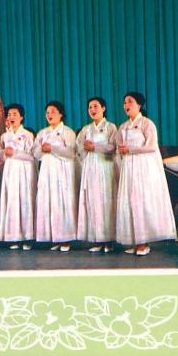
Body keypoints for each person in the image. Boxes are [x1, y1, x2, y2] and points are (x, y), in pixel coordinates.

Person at [115, 92, 176, 256]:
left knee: (141, 201)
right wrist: (122, 150)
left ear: (139, 105)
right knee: (130, 200)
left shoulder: (147, 124)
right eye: (124, 102)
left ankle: (144, 242)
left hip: (143, 167)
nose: (126, 105)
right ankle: (135, 241)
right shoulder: (122, 126)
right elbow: (119, 147)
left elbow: (151, 147)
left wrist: (130, 149)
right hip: (129, 167)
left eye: (130, 102)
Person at [33, 101, 77, 252]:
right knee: (49, 201)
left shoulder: (68, 132)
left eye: (53, 111)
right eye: (47, 112)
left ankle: (65, 238)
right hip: (46, 171)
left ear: (61, 114)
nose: (49, 115)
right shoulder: (42, 133)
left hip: (62, 171)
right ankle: (54, 237)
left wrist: (53, 148)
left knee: (62, 201)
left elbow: (71, 152)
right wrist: (42, 149)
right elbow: (35, 153)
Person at [76, 97, 118, 252]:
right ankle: (98, 239)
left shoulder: (111, 127)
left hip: (105, 167)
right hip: (90, 167)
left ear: (103, 108)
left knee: (106, 202)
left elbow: (114, 147)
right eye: (90, 107)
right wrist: (86, 148)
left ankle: (109, 240)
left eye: (95, 106)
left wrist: (96, 146)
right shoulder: (86, 129)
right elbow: (78, 147)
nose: (92, 110)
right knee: (93, 202)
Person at [0, 103, 36, 250]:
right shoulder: (4, 136)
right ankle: (13, 236)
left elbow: (32, 156)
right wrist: (4, 153)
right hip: (9, 171)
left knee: (24, 201)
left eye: (15, 114)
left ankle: (27, 238)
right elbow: (0, 156)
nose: (12, 117)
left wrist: (15, 153)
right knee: (11, 202)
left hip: (24, 171)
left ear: (21, 117)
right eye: (9, 115)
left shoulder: (27, 135)